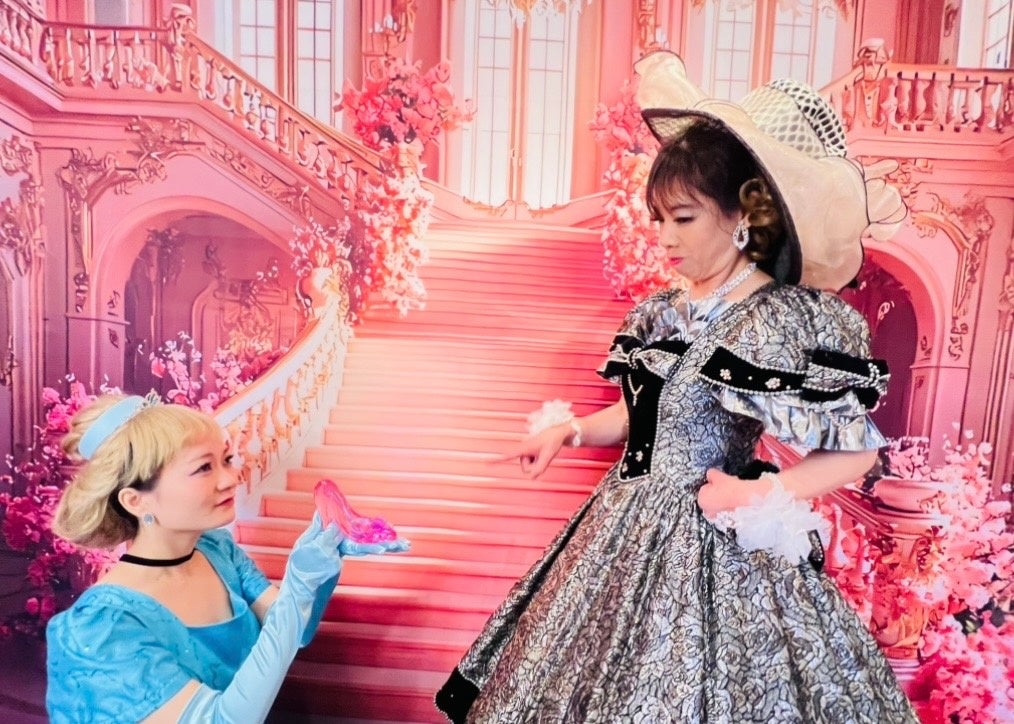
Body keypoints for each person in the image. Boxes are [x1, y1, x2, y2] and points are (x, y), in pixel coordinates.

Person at [435, 51, 917, 723]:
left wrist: (763, 492)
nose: (663, 237)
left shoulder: (780, 318)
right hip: (623, 525)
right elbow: (639, 415)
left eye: (682, 218)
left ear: (743, 216)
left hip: (713, 542)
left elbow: (857, 452)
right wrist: (568, 431)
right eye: (657, 218)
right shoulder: (664, 312)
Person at [45, 393, 406, 722]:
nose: (231, 478)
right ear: (136, 501)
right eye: (204, 467)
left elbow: (296, 632)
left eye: (226, 459)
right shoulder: (100, 626)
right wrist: (297, 588)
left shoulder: (217, 551)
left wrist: (321, 563)